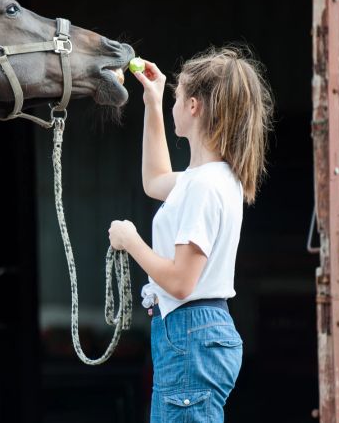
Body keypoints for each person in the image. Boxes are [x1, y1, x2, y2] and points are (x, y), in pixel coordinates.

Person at [107, 46, 273, 422]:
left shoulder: (204, 186)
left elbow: (182, 282)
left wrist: (130, 240)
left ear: (194, 106)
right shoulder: (210, 179)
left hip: (189, 331)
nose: (173, 105)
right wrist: (151, 102)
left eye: (176, 97)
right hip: (196, 330)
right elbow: (154, 180)